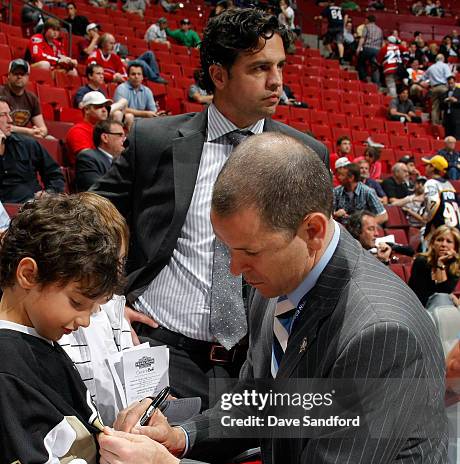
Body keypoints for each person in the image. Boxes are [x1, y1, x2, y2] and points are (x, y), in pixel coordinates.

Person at [99, 132, 460, 464]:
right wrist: (182, 438)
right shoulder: (276, 285)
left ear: (312, 230)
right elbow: (275, 407)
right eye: (227, 249)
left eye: (248, 252)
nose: (233, 269)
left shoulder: (380, 330)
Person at [92, 8, 328, 410]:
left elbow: (316, 255)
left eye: (280, 67)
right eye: (259, 68)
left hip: (255, 364)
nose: (277, 82)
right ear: (219, 75)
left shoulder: (305, 155)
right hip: (160, 346)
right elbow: (91, 219)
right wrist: (107, 305)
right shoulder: (155, 140)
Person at [0, 192, 174, 464]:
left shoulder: (41, 339)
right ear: (28, 274)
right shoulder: (7, 366)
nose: (83, 321)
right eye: (78, 303)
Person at [0, 97, 63, 203]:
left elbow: (54, 174)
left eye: (9, 114)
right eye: (2, 115)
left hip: (30, 210)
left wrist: (49, 194)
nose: (10, 120)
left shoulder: (27, 144)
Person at [408, 224, 460, 306]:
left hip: (441, 308)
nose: (443, 244)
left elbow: (444, 293)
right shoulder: (421, 261)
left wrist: (440, 264)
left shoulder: (455, 266)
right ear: (432, 243)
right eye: (439, 240)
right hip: (419, 307)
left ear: (455, 248)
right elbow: (419, 294)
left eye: (449, 241)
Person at [0, 59, 48, 139]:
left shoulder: (32, 98)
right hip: (5, 136)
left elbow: (43, 128)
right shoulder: (1, 92)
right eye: (16, 73)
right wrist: (28, 131)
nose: (19, 76)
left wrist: (40, 132)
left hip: (23, 139)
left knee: (50, 139)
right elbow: (4, 127)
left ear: (28, 77)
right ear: (9, 75)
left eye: (22, 74)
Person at [75, 119, 125, 191]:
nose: (124, 139)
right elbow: (96, 190)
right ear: (105, 138)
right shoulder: (87, 157)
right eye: (120, 135)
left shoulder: (122, 160)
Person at [66, 91, 111, 164]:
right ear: (86, 110)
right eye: (99, 106)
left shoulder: (106, 130)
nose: (104, 110)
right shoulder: (78, 131)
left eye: (105, 106)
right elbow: (88, 159)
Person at [113, 63, 162, 130]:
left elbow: (153, 110)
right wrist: (144, 114)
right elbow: (121, 109)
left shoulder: (147, 91)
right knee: (129, 116)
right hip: (124, 121)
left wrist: (157, 114)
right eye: (133, 74)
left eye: (139, 74)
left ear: (142, 77)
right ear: (128, 76)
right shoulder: (121, 88)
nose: (136, 76)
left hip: (141, 123)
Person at [422, 155, 459, 239]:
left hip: (440, 229)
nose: (425, 167)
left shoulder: (431, 183)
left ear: (432, 167)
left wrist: (429, 222)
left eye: (427, 165)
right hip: (454, 230)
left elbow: (433, 203)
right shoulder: (450, 185)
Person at [422, 54, 453, 125]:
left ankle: (434, 125)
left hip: (434, 88)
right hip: (443, 88)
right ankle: (443, 123)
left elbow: (423, 78)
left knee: (435, 107)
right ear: (443, 59)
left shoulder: (431, 67)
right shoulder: (445, 66)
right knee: (444, 106)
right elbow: (449, 77)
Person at [356, 14, 383, 83]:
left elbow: (363, 38)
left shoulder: (366, 27)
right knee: (374, 66)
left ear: (368, 20)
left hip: (367, 48)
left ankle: (364, 78)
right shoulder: (379, 29)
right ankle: (376, 83)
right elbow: (381, 42)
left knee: (360, 62)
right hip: (377, 50)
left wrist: (358, 48)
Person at [442, 75, 460, 139]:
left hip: (456, 117)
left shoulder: (459, 91)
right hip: (447, 117)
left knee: (456, 136)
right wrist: (444, 101)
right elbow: (441, 106)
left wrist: (456, 101)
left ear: (455, 82)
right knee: (448, 136)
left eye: (452, 83)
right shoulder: (445, 93)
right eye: (449, 83)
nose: (450, 85)